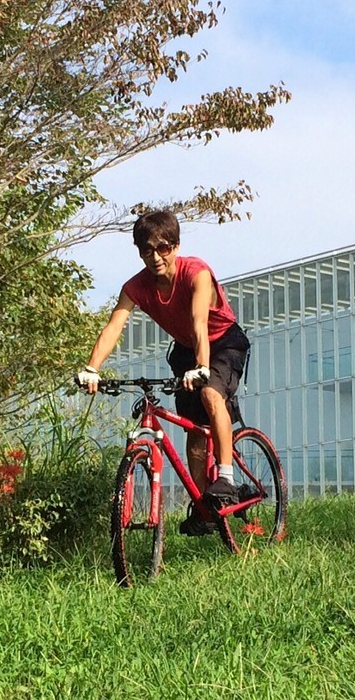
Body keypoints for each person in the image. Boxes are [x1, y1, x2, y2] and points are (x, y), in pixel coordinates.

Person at [75, 209, 250, 535]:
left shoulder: (196, 273)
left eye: (163, 248)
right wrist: (92, 368)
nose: (155, 257)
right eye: (146, 250)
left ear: (176, 246)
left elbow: (199, 322)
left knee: (211, 393)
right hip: (185, 349)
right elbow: (114, 326)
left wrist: (201, 367)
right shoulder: (137, 286)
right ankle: (204, 507)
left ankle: (225, 477)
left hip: (223, 342)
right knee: (194, 430)